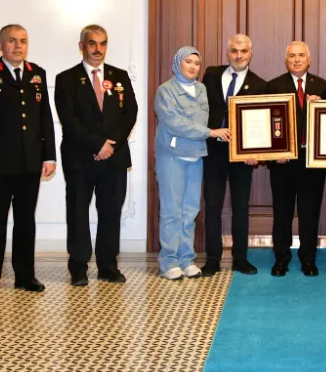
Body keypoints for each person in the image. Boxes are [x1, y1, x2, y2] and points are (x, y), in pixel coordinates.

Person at [0, 25, 56, 298]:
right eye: (12, 41)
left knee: (25, 221)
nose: (18, 46)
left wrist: (49, 156)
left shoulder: (37, 74)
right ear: (0, 46)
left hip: (30, 163)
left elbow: (45, 117)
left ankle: (24, 275)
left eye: (23, 41)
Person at [54, 24, 139, 286]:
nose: (98, 49)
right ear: (82, 46)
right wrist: (97, 144)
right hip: (81, 159)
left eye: (102, 43)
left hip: (114, 158)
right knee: (78, 212)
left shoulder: (120, 76)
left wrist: (110, 145)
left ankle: (108, 265)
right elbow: (69, 120)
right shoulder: (66, 79)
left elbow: (130, 113)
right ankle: (78, 267)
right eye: (92, 43)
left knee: (111, 211)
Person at [154, 46, 229, 280]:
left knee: (190, 210)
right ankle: (168, 261)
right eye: (188, 62)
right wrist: (209, 132)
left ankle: (186, 259)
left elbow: (198, 118)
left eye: (197, 63)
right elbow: (175, 123)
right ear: (178, 63)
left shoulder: (201, 89)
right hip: (172, 157)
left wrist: (202, 130)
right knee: (171, 211)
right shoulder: (165, 91)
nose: (193, 67)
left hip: (196, 156)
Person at [264, 41, 326, 277]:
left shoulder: (322, 86)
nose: (296, 60)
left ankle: (308, 259)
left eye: (301, 55)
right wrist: (275, 154)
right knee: (282, 212)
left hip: (311, 162)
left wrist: (322, 107)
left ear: (309, 59)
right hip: (282, 162)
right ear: (286, 60)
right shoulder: (273, 86)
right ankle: (281, 259)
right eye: (292, 56)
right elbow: (267, 125)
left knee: (309, 212)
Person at [200, 34, 266, 276]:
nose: (239, 55)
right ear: (227, 53)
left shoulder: (260, 85)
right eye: (235, 51)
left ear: (251, 54)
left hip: (242, 156)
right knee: (213, 206)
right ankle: (213, 259)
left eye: (244, 51)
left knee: (241, 208)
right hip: (213, 150)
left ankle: (240, 258)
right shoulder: (211, 74)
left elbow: (262, 123)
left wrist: (256, 153)